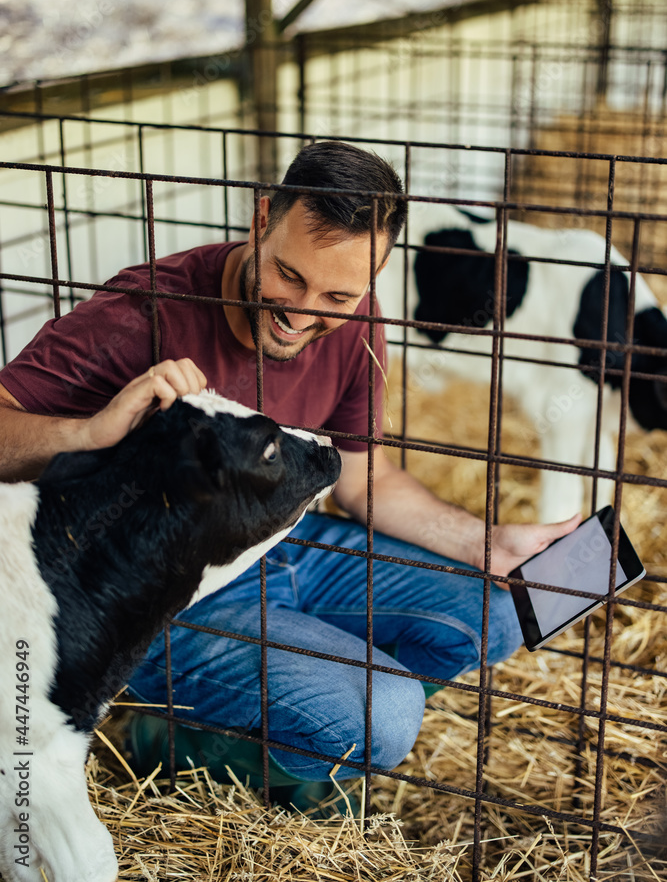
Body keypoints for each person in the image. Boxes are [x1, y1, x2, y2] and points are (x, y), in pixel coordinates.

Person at [0, 141, 579, 799]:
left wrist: (487, 543)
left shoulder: (354, 315)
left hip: (288, 540)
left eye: (336, 293)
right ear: (261, 218)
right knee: (384, 714)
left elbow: (364, 482)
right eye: (290, 277)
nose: (304, 313)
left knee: (499, 613)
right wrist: (92, 431)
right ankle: (177, 742)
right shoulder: (144, 312)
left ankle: (292, 733)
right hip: (173, 592)